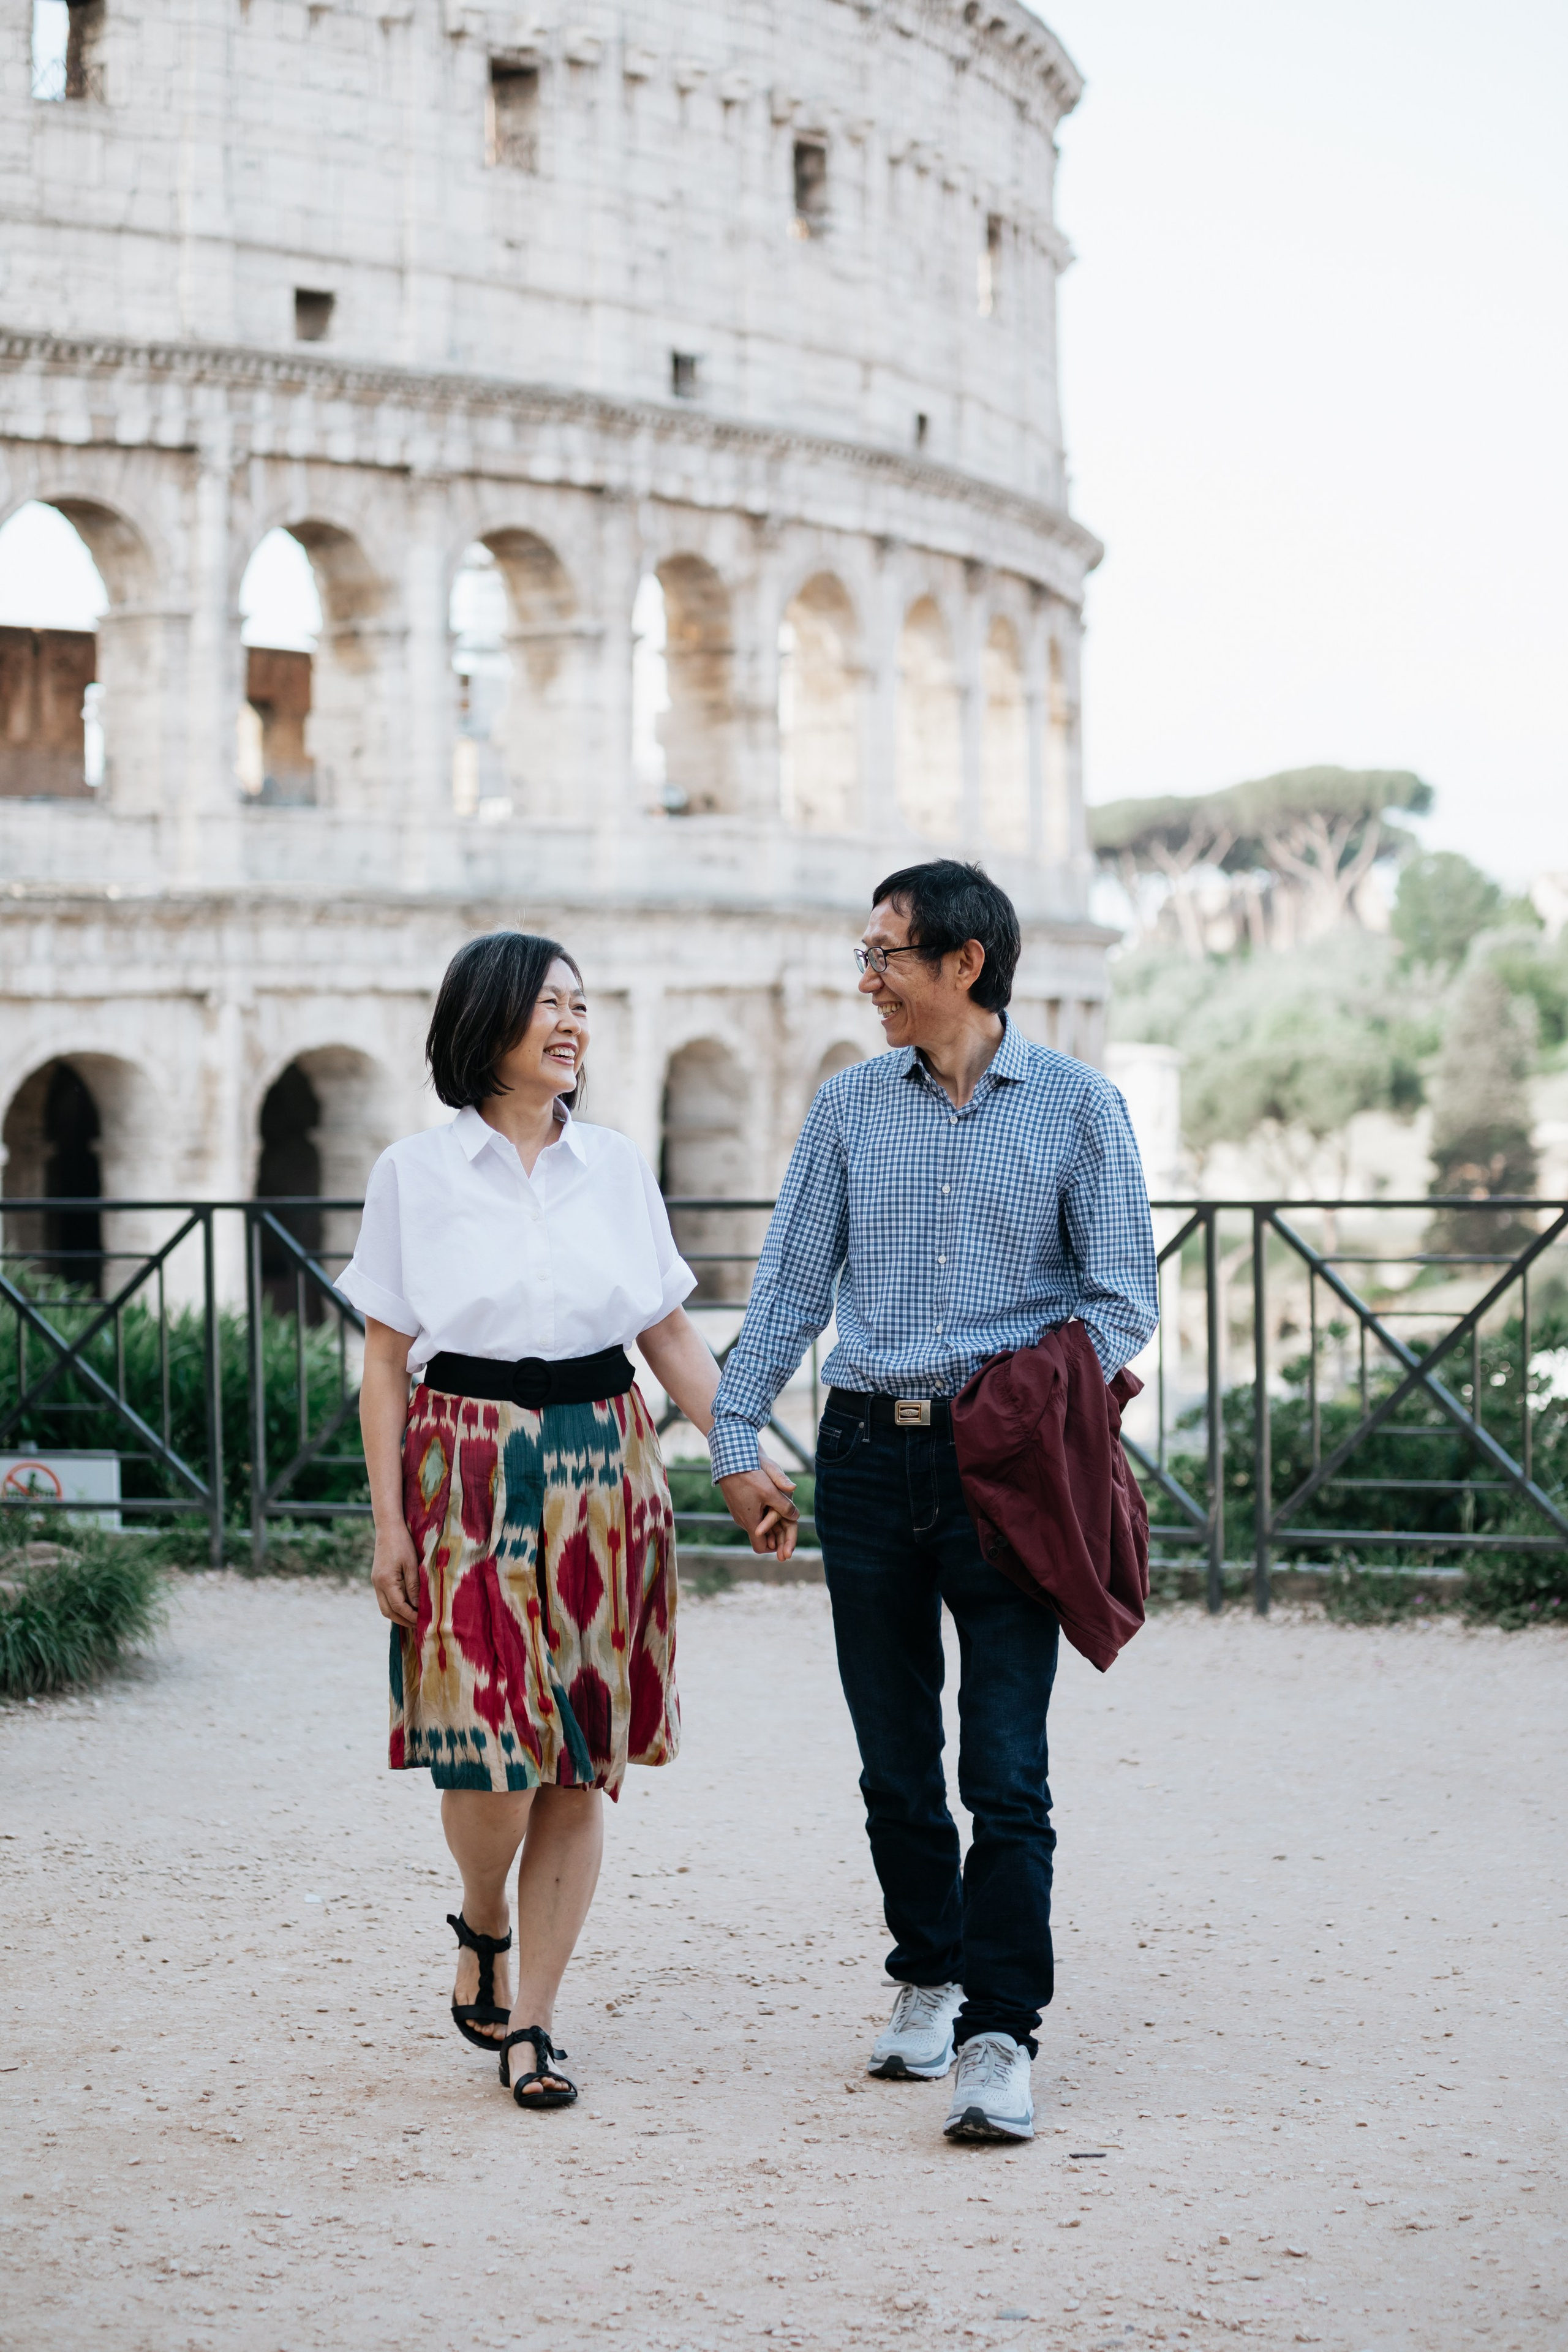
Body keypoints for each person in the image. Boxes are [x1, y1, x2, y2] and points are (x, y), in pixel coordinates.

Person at [710, 861, 1157, 2141]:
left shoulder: (1079, 1108)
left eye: (885, 957)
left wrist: (1020, 1400)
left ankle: (999, 2034)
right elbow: (791, 1291)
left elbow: (1120, 1295)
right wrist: (734, 1436)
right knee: (894, 1764)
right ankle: (928, 1969)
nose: (867, 982)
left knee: (1003, 1767)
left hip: (1009, 1466)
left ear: (963, 962)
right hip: (863, 1458)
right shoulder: (848, 1109)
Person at [337, 930, 796, 2111]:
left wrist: (738, 1456)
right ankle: (481, 1912)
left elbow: (670, 1336)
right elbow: (385, 1364)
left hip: (606, 1460)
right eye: (549, 1003)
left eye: (582, 1006)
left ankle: (533, 2022)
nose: (572, 1023)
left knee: (578, 1760)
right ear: (486, 1022)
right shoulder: (413, 1175)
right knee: (485, 1756)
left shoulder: (617, 1167)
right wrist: (387, 1520)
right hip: (462, 1467)